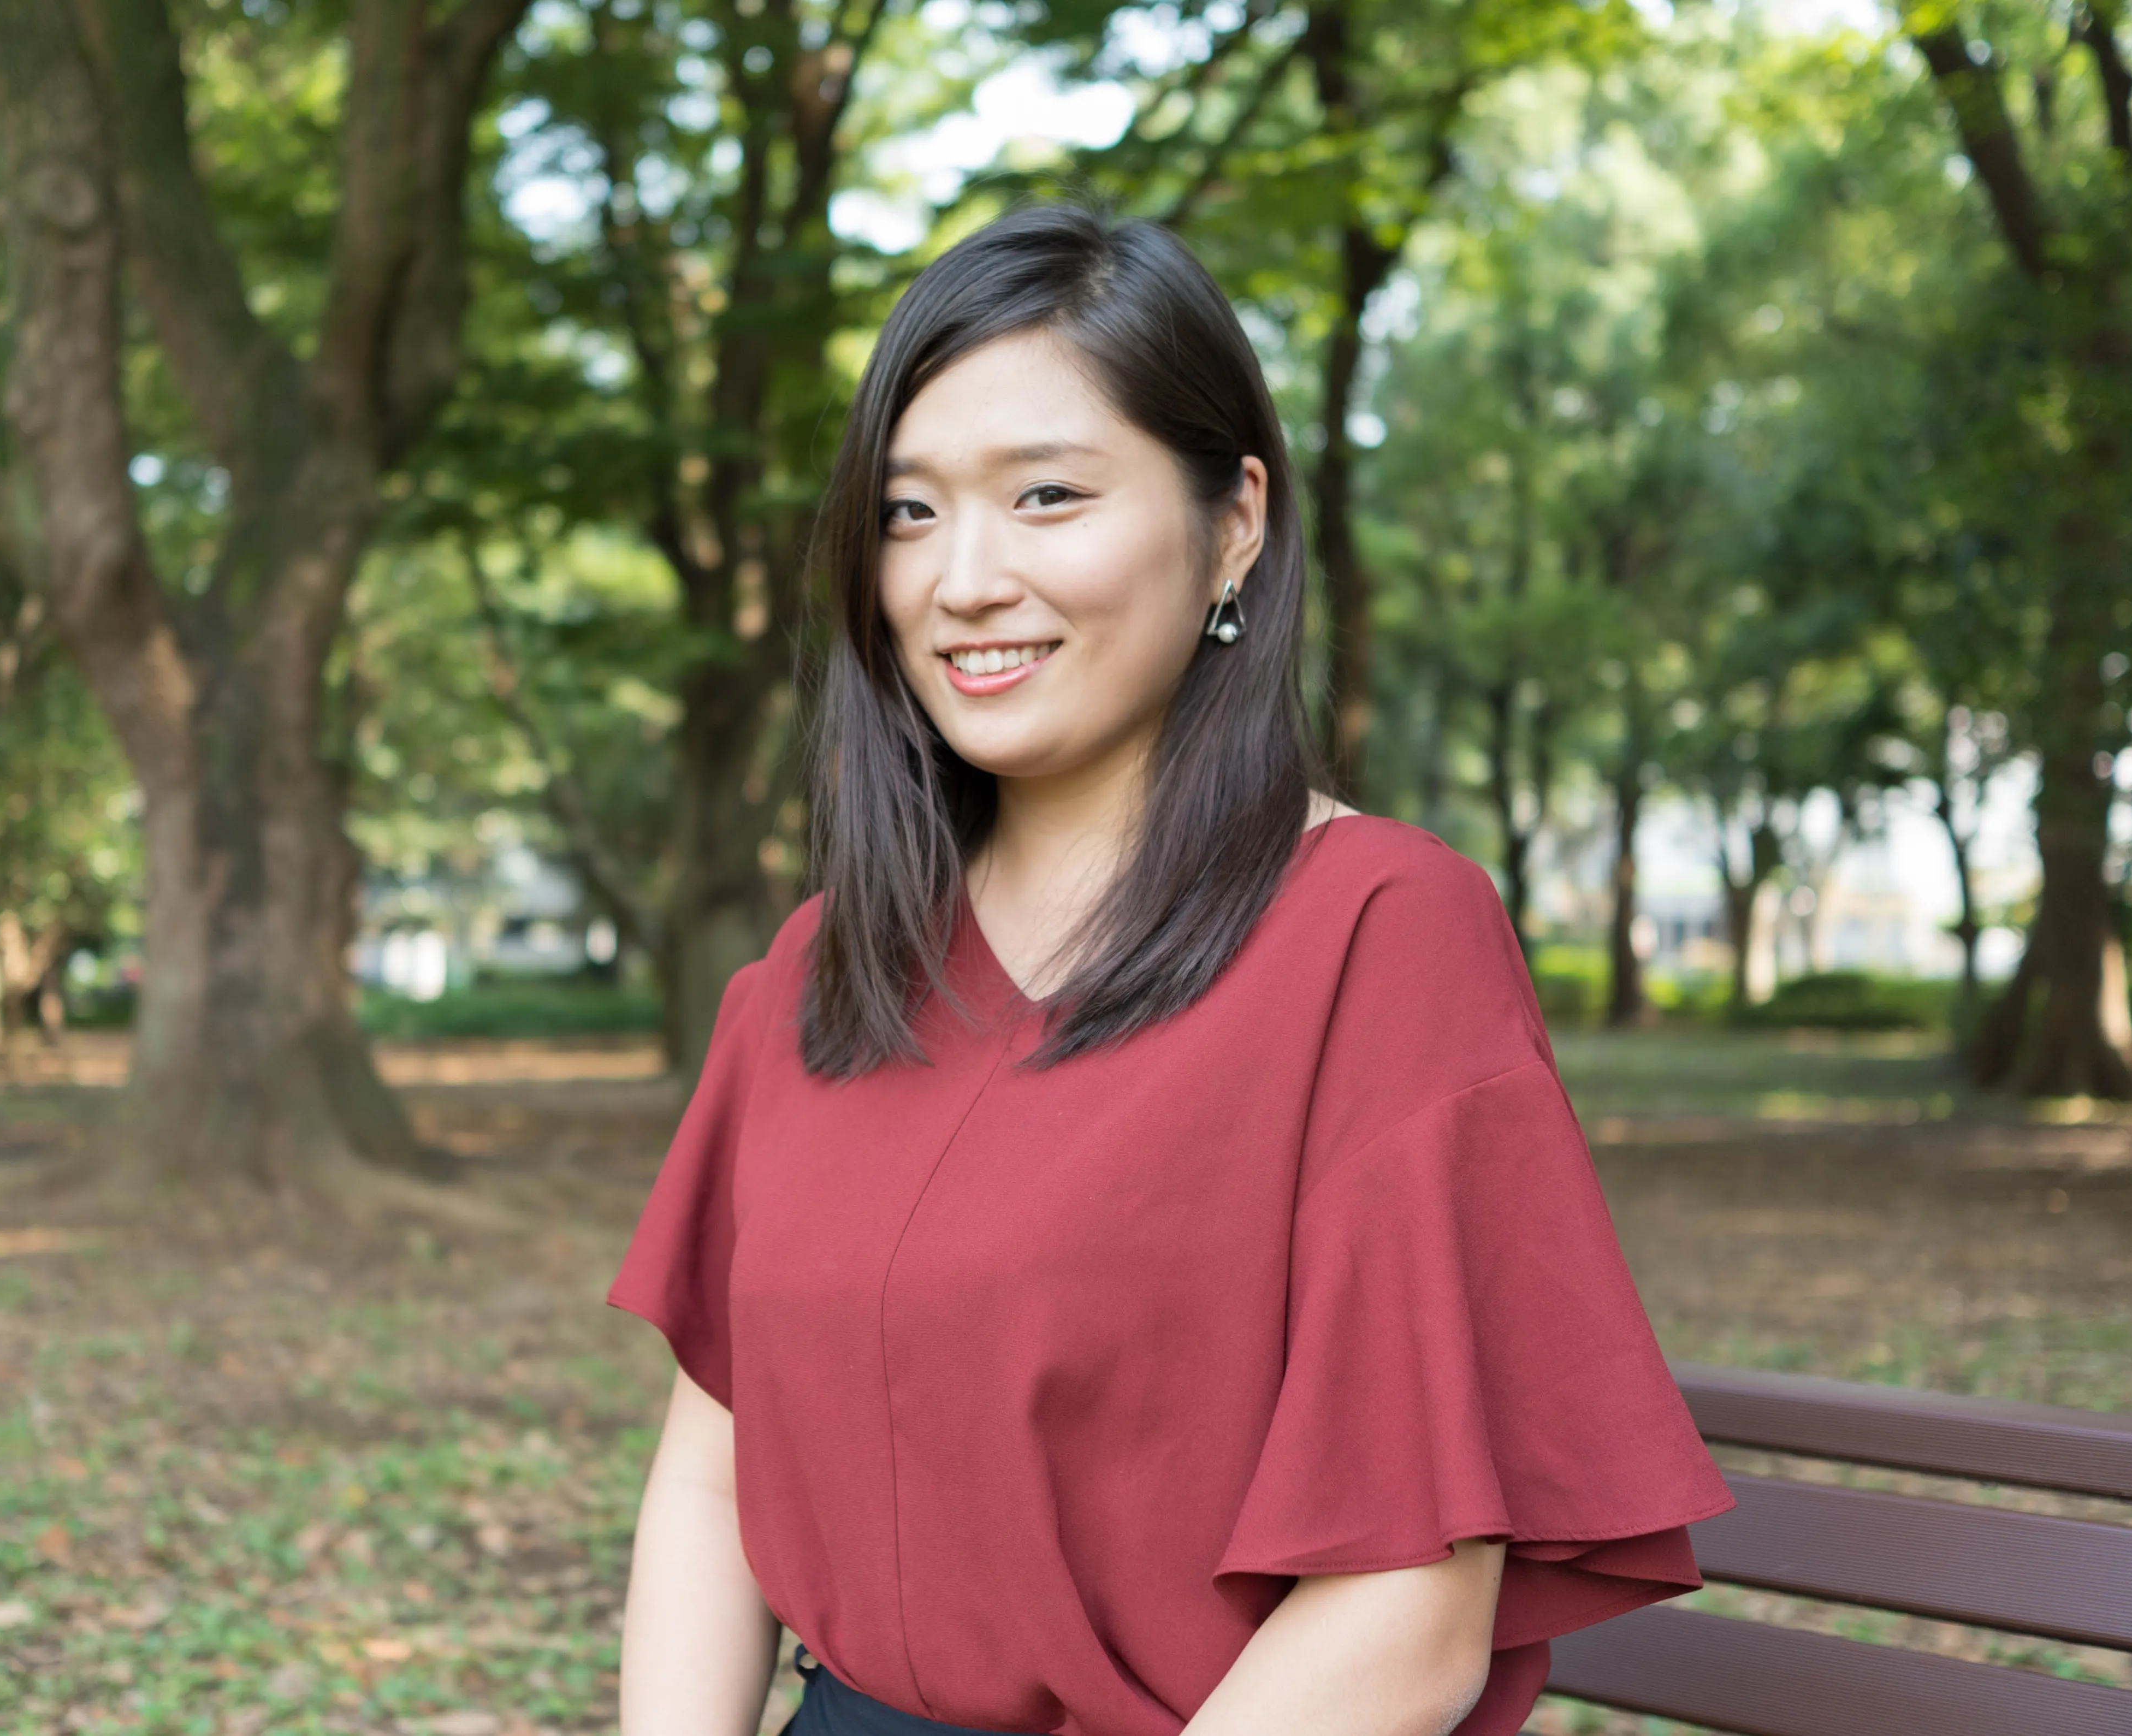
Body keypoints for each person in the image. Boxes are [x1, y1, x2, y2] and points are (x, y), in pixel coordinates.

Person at [608, 204, 1730, 1736]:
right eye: (910, 511)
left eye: (1049, 496)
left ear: (1236, 521)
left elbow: (1405, 1617)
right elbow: (710, 1464)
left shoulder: (1381, 936)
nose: (964, 579)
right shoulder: (823, 968)